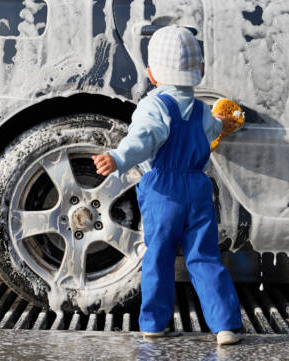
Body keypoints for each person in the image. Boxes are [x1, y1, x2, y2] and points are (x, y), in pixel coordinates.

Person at [92, 26, 243, 345]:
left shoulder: (154, 106)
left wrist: (118, 158)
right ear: (199, 71)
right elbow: (213, 128)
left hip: (162, 189)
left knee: (158, 255)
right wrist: (225, 126)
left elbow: (142, 140)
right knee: (204, 257)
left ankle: (154, 323)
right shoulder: (202, 109)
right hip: (197, 188)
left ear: (151, 73)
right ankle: (225, 326)